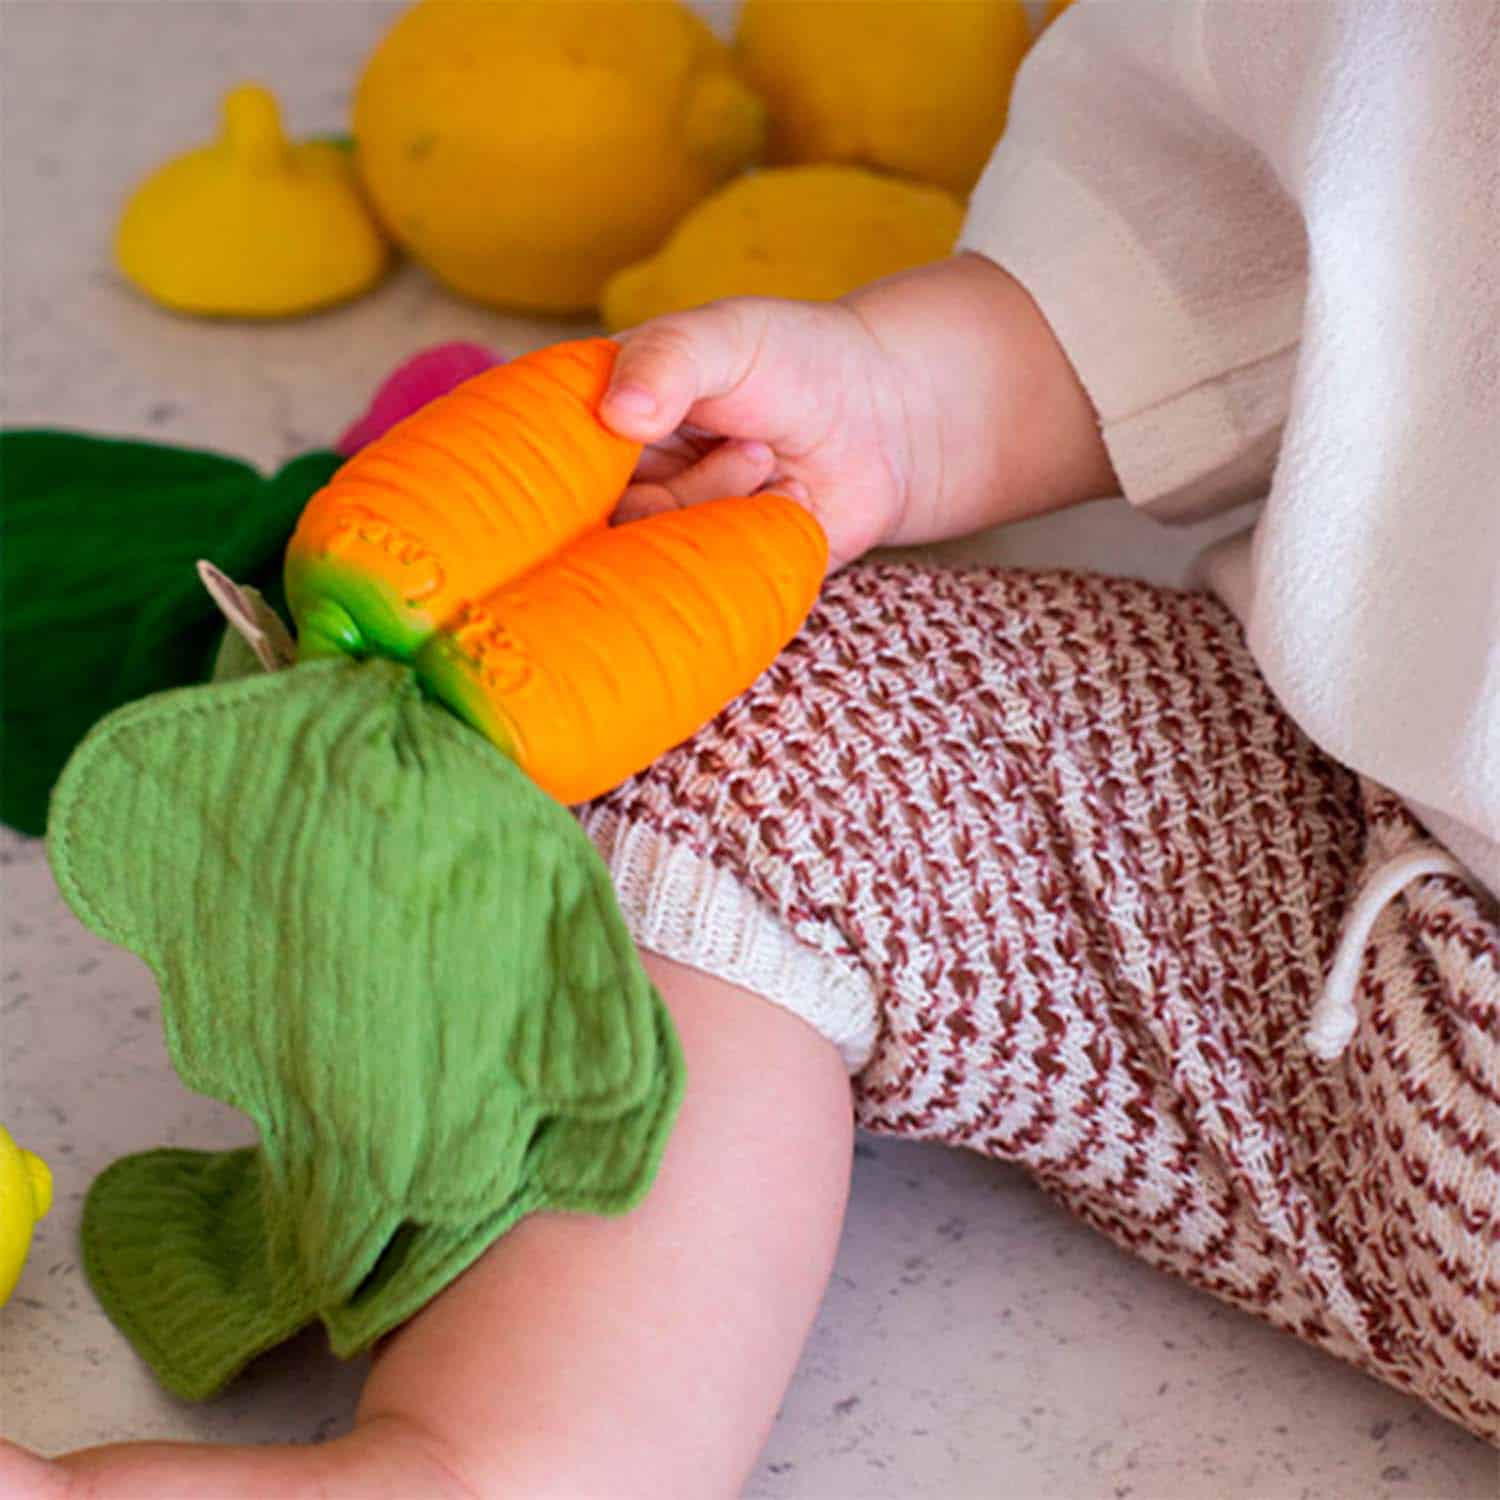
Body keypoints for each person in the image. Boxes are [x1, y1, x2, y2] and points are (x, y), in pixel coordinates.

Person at [6, 0, 1494, 1492]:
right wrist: (898, 400)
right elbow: (1258, 220)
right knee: (710, 702)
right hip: (1337, 842)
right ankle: (515, 1451)